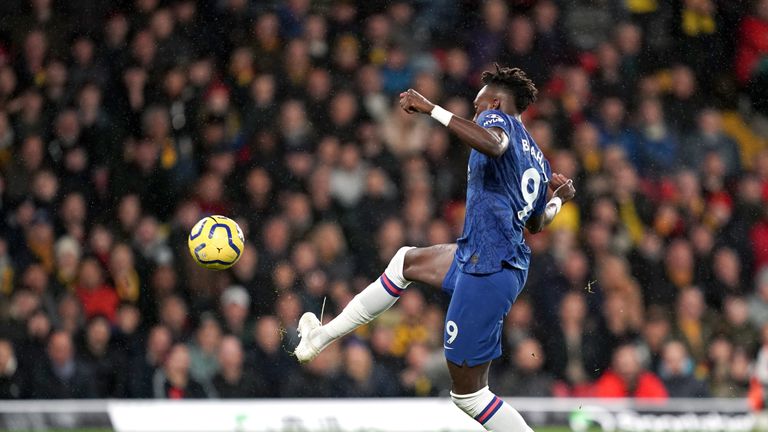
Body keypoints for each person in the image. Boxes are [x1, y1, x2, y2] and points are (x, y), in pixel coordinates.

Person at [296, 64, 576, 431]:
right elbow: (536, 223)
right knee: (405, 262)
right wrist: (558, 201)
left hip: (488, 269)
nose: (477, 114)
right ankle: (322, 336)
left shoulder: (499, 123)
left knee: (470, 397)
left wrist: (432, 110)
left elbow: (494, 143)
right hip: (484, 255)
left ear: (494, 102)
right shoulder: (538, 158)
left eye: (478, 107)